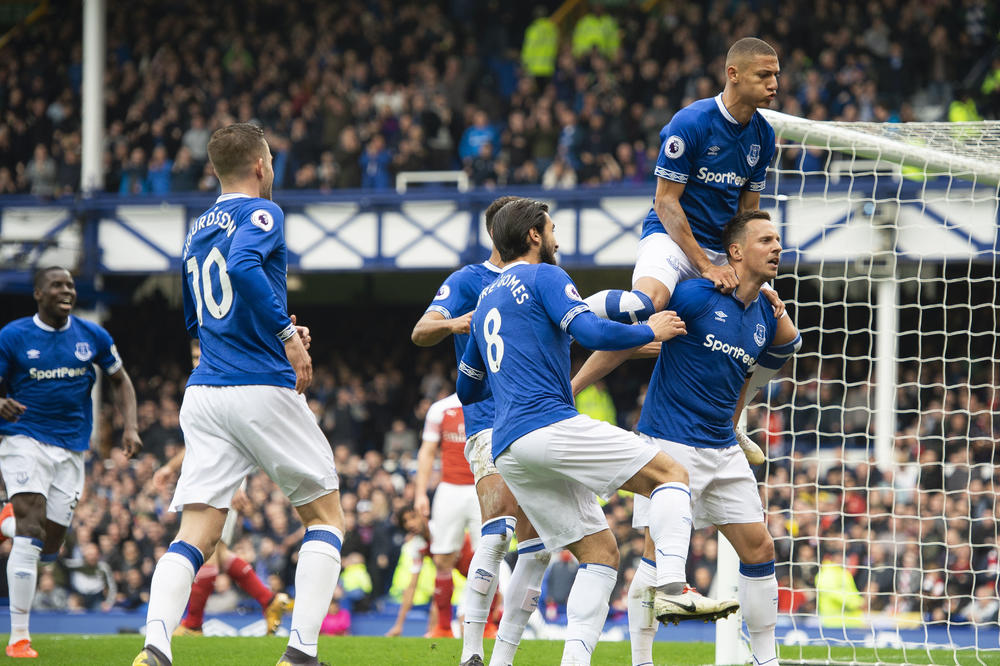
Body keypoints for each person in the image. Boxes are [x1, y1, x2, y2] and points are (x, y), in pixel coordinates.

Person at [456, 199, 739, 666]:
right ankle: (673, 585)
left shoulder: (486, 297)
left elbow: (467, 388)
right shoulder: (546, 276)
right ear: (533, 236)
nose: (557, 239)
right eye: (551, 229)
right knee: (671, 474)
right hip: (547, 423)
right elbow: (591, 332)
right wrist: (650, 328)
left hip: (506, 445)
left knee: (601, 553)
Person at [133, 123, 345, 666]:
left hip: (206, 390)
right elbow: (243, 266)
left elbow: (199, 318)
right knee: (325, 518)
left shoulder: (196, 227)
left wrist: (277, 330)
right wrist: (285, 342)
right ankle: (300, 654)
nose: (272, 170)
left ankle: (155, 647)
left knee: (196, 534)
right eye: (271, 161)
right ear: (259, 166)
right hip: (259, 386)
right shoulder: (264, 213)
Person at [584, 210, 801, 666]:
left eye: (778, 239)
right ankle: (641, 660)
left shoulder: (765, 312)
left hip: (722, 446)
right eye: (765, 240)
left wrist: (782, 319)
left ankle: (766, 658)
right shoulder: (695, 294)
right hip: (671, 440)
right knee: (655, 557)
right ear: (736, 252)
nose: (777, 247)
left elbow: (777, 353)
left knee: (760, 547)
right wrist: (573, 387)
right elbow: (631, 338)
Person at [580, 38, 792, 465]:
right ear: (733, 74)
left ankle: (733, 423)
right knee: (647, 306)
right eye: (764, 75)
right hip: (672, 239)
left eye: (776, 76)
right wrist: (703, 265)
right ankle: (568, 332)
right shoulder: (691, 122)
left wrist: (748, 273)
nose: (774, 84)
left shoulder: (762, 137)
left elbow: (747, 215)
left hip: (720, 250)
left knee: (781, 336)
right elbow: (665, 201)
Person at [411, 195, 552, 666]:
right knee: (497, 532)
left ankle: (504, 657)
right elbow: (421, 330)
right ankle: (470, 653)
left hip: (540, 420)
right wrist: (456, 323)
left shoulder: (541, 277)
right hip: (490, 421)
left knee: (538, 545)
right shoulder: (469, 280)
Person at [0, 266, 142, 659]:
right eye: (57, 285)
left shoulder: (92, 335)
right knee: (30, 533)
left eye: (70, 286)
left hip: (72, 447)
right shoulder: (12, 337)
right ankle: (19, 638)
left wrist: (129, 427)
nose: (67, 291)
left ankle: (5, 521)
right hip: (22, 439)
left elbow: (121, 380)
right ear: (38, 294)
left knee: (49, 547)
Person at [154, 340, 294, 637]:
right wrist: (169, 467)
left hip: (223, 482)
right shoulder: (199, 387)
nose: (196, 360)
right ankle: (269, 600)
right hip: (207, 478)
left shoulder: (225, 385)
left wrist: (238, 484)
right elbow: (198, 444)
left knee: (208, 552)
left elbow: (241, 440)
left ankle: (193, 624)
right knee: (219, 552)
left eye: (199, 355)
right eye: (192, 355)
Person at [410, 392, 481, 638]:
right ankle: (442, 627)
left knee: (487, 558)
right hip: (449, 488)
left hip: (482, 486)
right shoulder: (441, 409)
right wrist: (420, 494)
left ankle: (487, 625)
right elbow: (427, 452)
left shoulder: (494, 401)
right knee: (442, 559)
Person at [384, 505, 474, 638]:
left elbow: (443, 568)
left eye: (413, 517)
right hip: (472, 580)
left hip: (494, 572)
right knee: (464, 628)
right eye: (405, 521)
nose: (410, 524)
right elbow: (411, 586)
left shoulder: (440, 529)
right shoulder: (417, 546)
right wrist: (399, 625)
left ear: (423, 515)